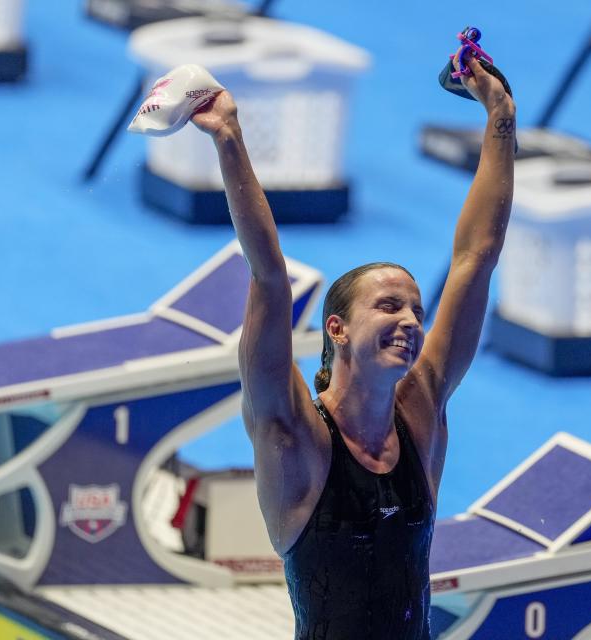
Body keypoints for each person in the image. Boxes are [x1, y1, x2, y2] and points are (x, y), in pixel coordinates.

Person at [191, 50, 515, 639]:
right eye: (389, 306)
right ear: (336, 329)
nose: (412, 321)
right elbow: (269, 276)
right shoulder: (294, 437)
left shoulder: (421, 415)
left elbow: (476, 258)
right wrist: (228, 137)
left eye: (416, 309)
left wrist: (499, 117)